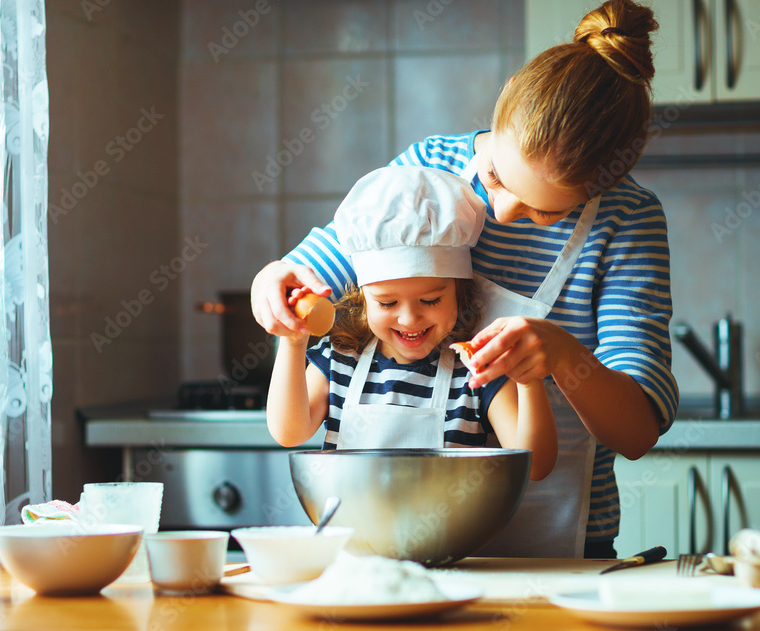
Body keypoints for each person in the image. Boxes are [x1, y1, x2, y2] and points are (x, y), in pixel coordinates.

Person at [251, 0, 678, 559]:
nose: (499, 211)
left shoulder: (628, 221)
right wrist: (274, 284)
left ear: (602, 184)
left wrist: (558, 356)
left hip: (564, 542)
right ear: (504, 100)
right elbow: (310, 278)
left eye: (542, 211)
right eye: (498, 175)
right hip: (400, 543)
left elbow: (637, 431)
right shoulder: (429, 167)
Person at [266, 166, 558, 482]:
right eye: (387, 303)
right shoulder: (339, 359)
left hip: (453, 532)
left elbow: (536, 465)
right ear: (363, 299)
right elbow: (289, 432)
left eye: (430, 300)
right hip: (350, 530)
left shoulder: (476, 370)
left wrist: (529, 381)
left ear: (459, 293)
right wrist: (293, 343)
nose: (409, 319)